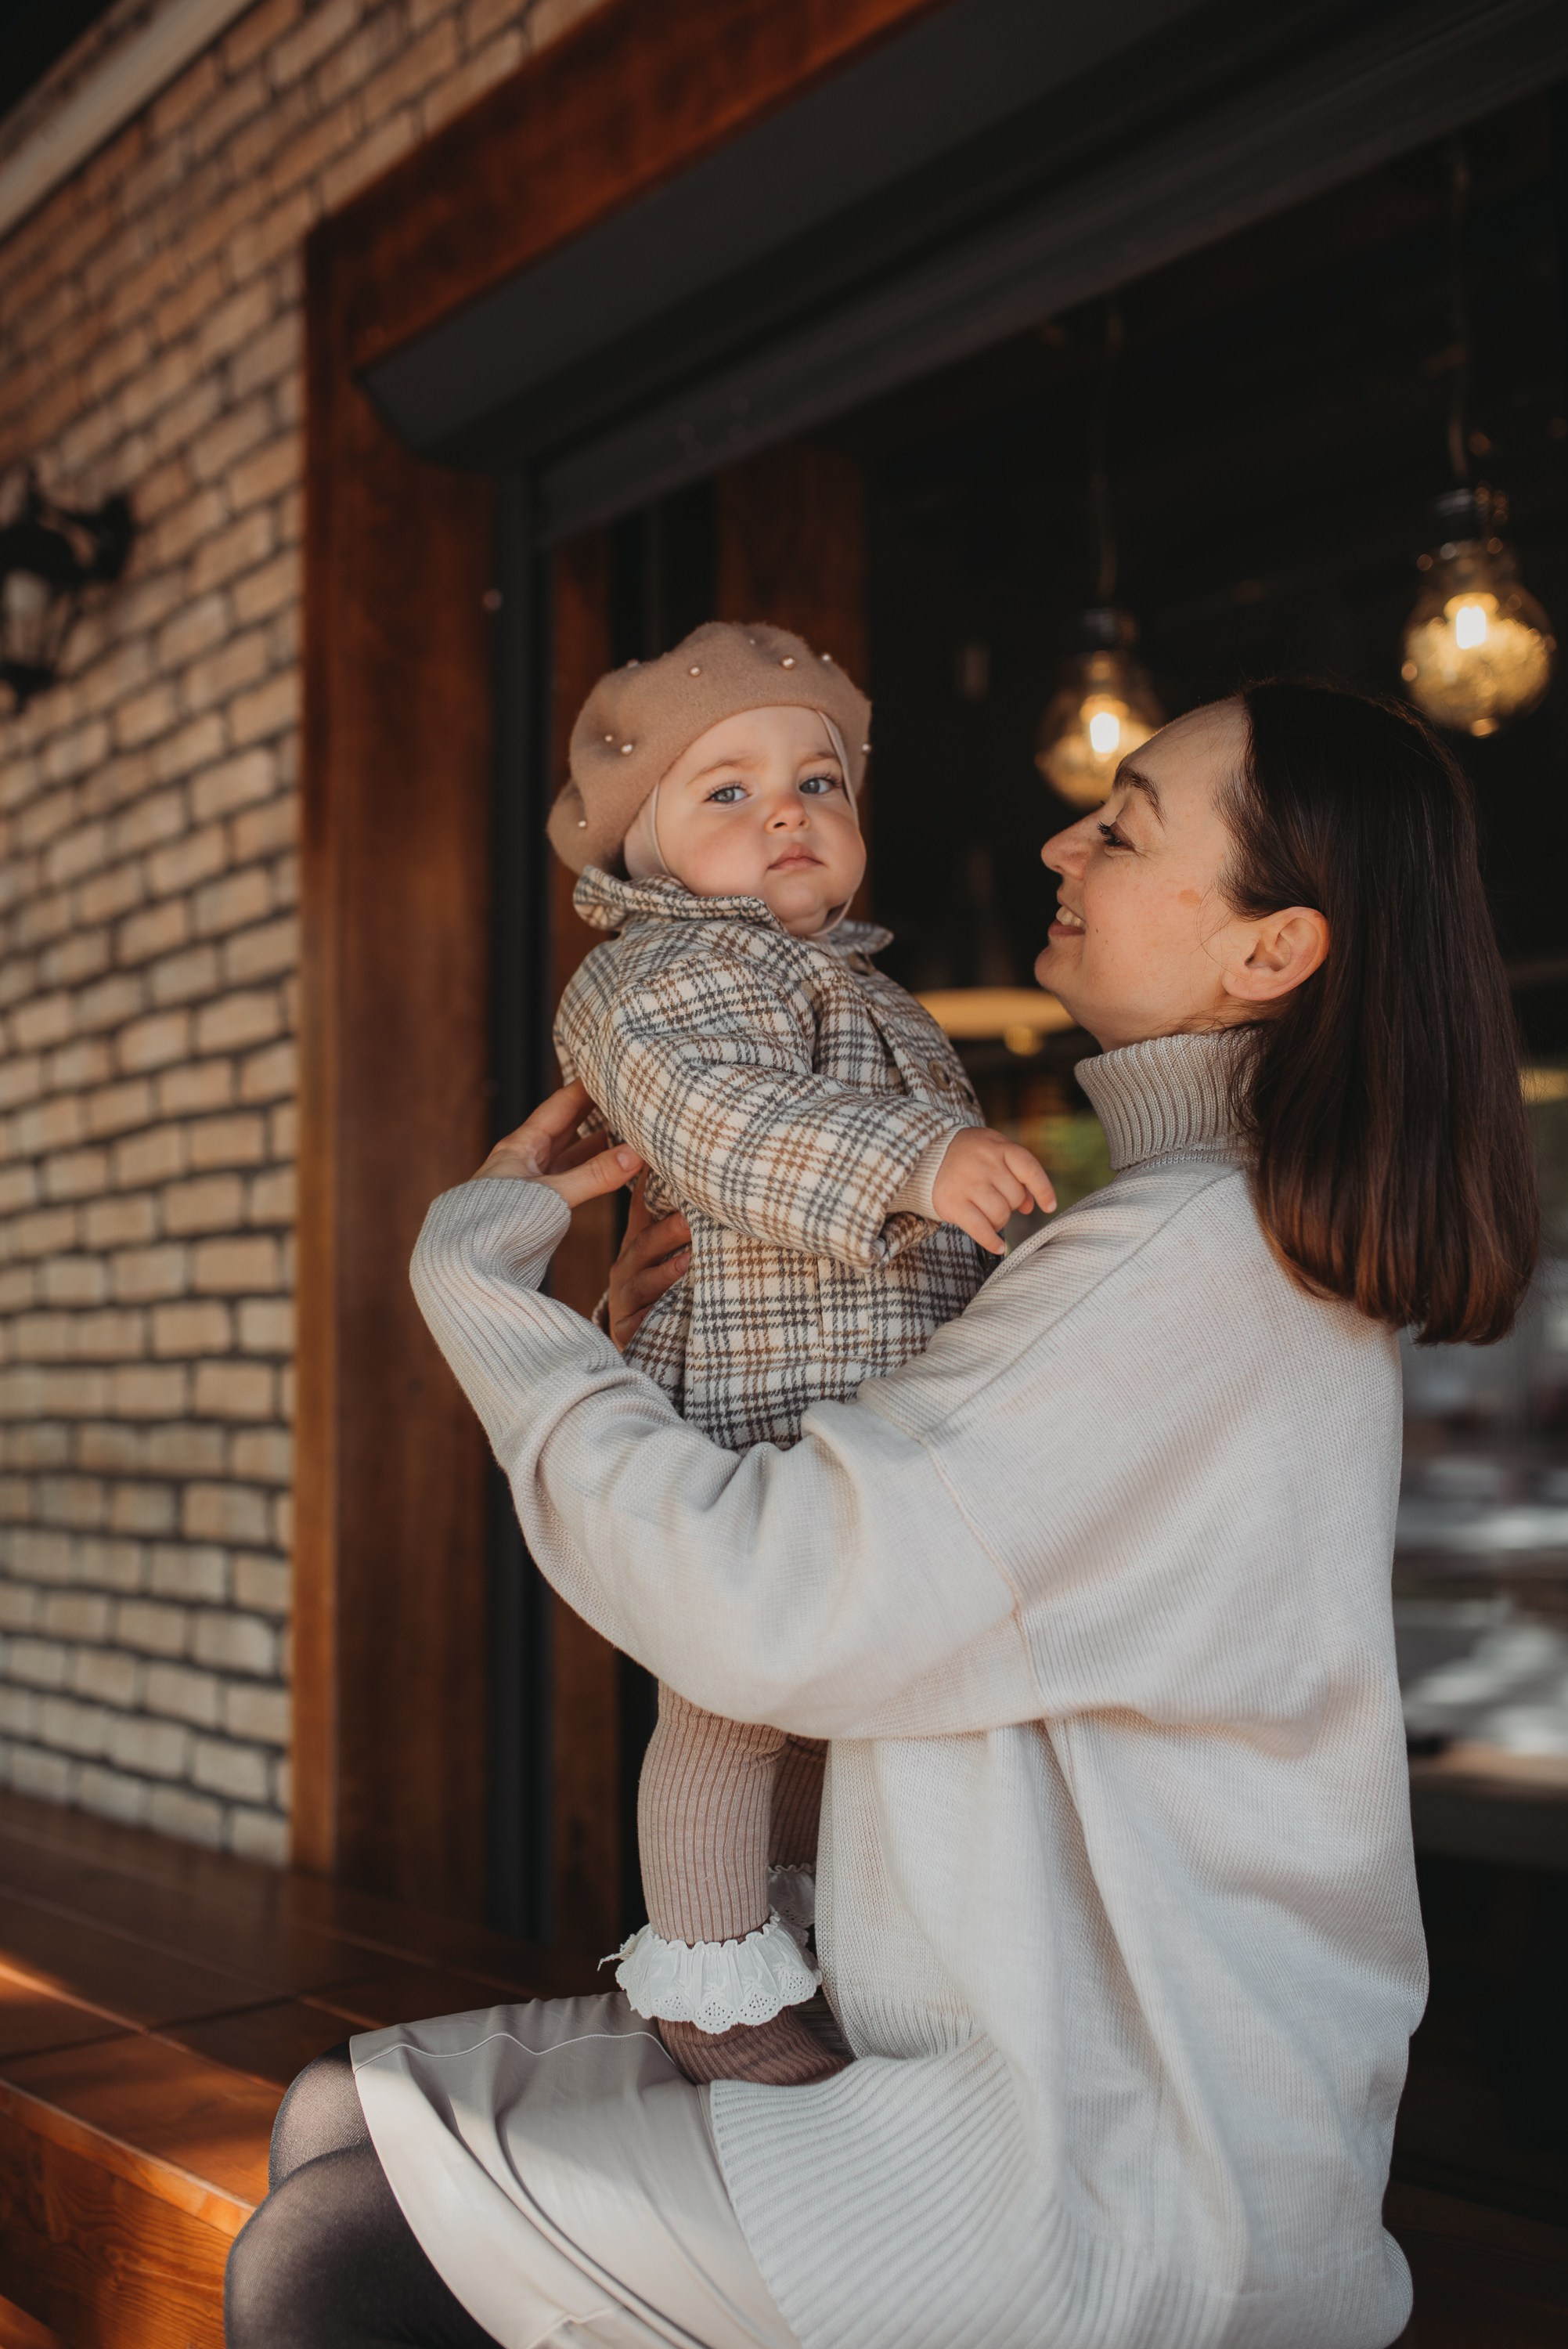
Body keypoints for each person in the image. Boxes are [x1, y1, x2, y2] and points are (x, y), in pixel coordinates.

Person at [226, 680, 1537, 2349]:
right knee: (336, 2115)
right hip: (1015, 2063)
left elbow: (770, 1601)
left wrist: (479, 1286)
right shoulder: (1183, 1233)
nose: (1062, 836)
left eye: (1123, 824)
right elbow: (886, 1493)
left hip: (1098, 2178)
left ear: (1270, 955)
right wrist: (648, 1341)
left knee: (325, 2253)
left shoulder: (1186, 1260)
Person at [548, 619, 1053, 2087]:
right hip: (744, 1424)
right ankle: (707, 1977)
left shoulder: (884, 1000)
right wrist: (922, 1156)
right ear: (640, 854)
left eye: (820, 782)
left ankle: (814, 1950)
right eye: (728, 790)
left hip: (876, 1432)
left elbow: (949, 1236)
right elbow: (713, 1121)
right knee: (727, 1702)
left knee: (840, 1728)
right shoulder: (650, 985)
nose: (788, 810)